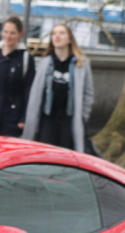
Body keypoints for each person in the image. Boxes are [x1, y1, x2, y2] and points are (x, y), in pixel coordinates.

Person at [22, 23, 95, 154]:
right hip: (48, 120)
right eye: (54, 33)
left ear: (69, 39)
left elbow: (88, 93)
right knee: (46, 155)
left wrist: (83, 116)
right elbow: (35, 93)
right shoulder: (45, 63)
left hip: (69, 120)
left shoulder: (81, 64)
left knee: (66, 156)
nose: (57, 36)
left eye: (62, 33)